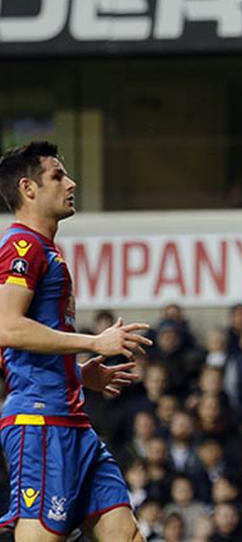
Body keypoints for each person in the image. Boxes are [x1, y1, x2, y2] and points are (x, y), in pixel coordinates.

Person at [0, 141, 153, 541]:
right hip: (41, 422)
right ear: (28, 189)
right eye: (57, 175)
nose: (71, 182)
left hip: (73, 421)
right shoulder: (22, 246)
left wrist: (79, 374)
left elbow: (23, 346)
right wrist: (94, 343)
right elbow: (8, 328)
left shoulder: (46, 251)